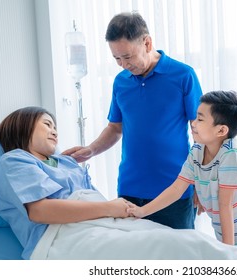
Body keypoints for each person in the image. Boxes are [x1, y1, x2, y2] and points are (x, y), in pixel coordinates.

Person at [63, 12, 203, 229]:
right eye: (117, 58)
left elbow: (201, 134)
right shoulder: (121, 82)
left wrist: (202, 185)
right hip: (129, 191)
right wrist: (91, 150)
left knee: (177, 256)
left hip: (175, 190)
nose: (122, 65)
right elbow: (115, 128)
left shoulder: (183, 75)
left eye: (128, 57)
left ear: (147, 43)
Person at [128, 90, 237, 246]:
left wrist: (228, 251)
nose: (193, 123)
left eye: (200, 119)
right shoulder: (197, 150)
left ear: (221, 130)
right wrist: (142, 211)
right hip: (229, 234)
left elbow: (226, 205)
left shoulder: (231, 155)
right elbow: (177, 189)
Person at [0, 106, 131, 260]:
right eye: (47, 124)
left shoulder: (67, 162)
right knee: (155, 244)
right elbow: (40, 211)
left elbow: (94, 199)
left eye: (55, 127)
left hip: (101, 225)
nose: (55, 132)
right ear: (23, 127)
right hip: (57, 238)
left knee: (156, 234)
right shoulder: (14, 160)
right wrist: (110, 208)